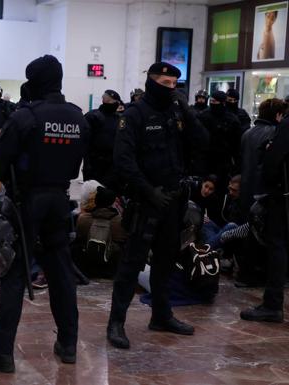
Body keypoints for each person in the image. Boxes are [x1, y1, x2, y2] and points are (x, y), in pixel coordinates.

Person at [0, 55, 89, 372]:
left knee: (14, 273)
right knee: (62, 274)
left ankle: (2, 351)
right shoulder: (78, 117)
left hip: (28, 203)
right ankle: (69, 344)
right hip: (60, 200)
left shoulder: (26, 116)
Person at [106, 62, 208, 350]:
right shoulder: (135, 115)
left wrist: (188, 111)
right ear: (151, 82)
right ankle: (116, 323)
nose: (171, 89)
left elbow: (203, 142)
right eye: (165, 83)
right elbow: (123, 161)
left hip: (173, 200)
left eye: (175, 84)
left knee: (166, 260)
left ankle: (162, 315)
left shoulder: (177, 113)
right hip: (145, 200)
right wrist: (148, 191)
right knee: (131, 263)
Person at [240, 108, 288, 322]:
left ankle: (272, 304)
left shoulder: (286, 124)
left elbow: (273, 160)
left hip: (283, 195)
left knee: (277, 245)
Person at [240, 98, 284, 218]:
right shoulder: (275, 133)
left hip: (245, 188)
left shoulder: (247, 134)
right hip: (263, 193)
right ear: (278, 115)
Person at [198, 90, 242, 196]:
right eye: (211, 101)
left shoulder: (232, 119)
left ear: (222, 103)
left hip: (223, 162)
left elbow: (236, 145)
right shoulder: (203, 116)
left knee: (219, 194)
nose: (213, 103)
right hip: (205, 160)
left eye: (215, 101)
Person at [83, 90, 122, 190]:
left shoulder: (119, 119)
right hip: (94, 164)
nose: (115, 105)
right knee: (92, 197)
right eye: (112, 102)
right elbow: (84, 141)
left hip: (112, 166)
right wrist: (87, 163)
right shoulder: (92, 116)